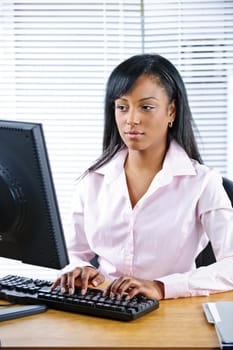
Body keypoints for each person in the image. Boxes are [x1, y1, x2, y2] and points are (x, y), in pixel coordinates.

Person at [52, 53, 233, 300]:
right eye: (122, 107)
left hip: (172, 311)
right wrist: (80, 271)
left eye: (146, 107)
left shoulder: (202, 183)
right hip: (104, 307)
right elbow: (75, 255)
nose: (131, 120)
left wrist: (161, 287)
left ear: (171, 111)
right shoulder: (93, 180)